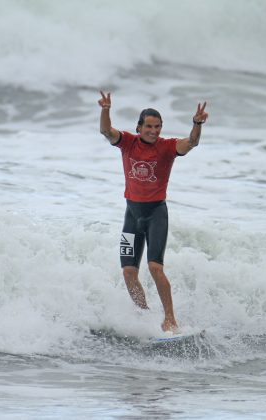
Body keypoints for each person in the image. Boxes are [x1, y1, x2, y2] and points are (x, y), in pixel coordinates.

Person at [98, 91, 208, 332]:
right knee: (128, 272)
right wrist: (105, 110)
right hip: (132, 215)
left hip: (156, 214)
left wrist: (197, 124)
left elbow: (192, 143)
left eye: (157, 126)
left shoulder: (167, 147)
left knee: (155, 268)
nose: (154, 131)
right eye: (149, 126)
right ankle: (144, 315)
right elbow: (107, 132)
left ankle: (170, 318)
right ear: (139, 127)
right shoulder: (128, 142)